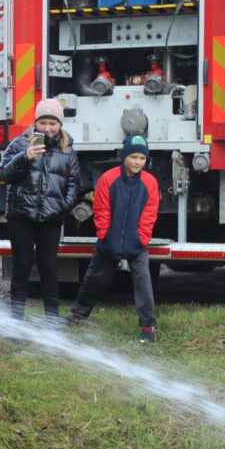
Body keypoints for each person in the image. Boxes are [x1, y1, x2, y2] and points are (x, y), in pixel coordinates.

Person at [67, 136, 160, 342]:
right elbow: (101, 209)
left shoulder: (150, 183)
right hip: (108, 241)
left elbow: (150, 213)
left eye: (142, 158)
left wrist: (142, 238)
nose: (137, 162)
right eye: (133, 157)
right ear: (124, 156)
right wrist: (104, 234)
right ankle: (77, 314)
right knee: (94, 278)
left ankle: (148, 326)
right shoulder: (108, 179)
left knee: (143, 281)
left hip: (137, 244)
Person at [0, 98, 81, 324]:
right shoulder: (19, 144)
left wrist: (63, 208)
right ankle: (17, 321)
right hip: (21, 216)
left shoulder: (67, 150)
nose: (47, 128)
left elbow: (74, 183)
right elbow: (5, 175)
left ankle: (52, 321)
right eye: (43, 123)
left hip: (51, 218)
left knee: (49, 266)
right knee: (22, 266)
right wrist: (25, 157)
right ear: (35, 123)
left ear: (60, 125)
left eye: (52, 123)